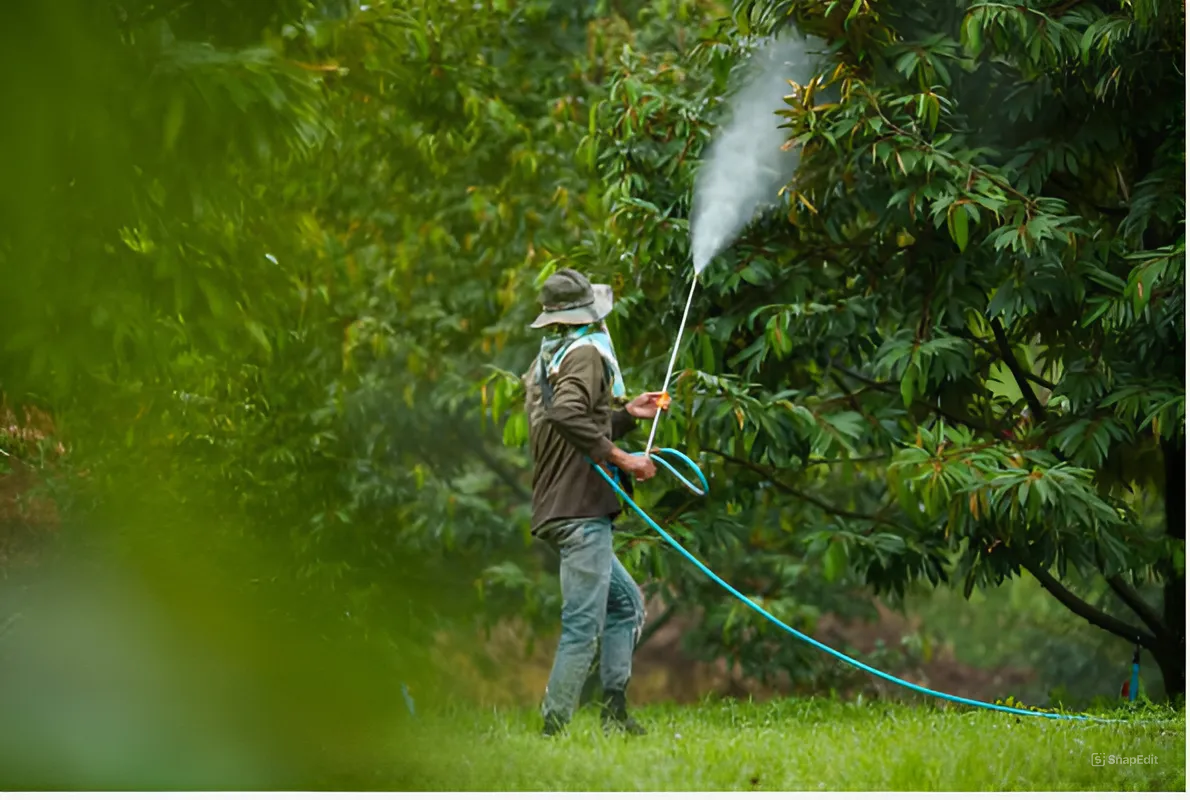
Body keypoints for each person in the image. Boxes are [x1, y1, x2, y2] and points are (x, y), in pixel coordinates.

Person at [522, 268, 666, 737]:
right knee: (583, 625)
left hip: (559, 509)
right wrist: (622, 458)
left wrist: (625, 415)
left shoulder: (549, 359)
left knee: (625, 607)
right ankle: (553, 729)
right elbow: (567, 415)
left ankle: (614, 713)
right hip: (579, 511)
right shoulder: (584, 354)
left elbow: (572, 426)